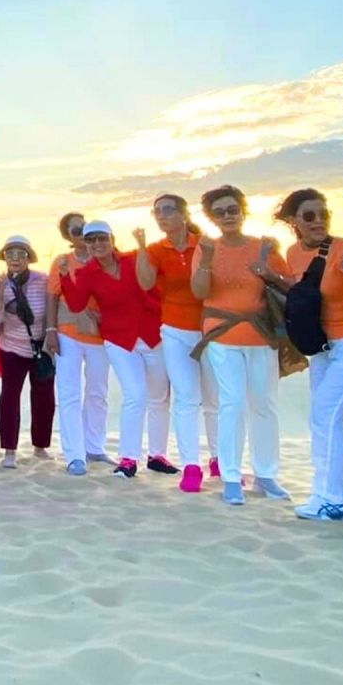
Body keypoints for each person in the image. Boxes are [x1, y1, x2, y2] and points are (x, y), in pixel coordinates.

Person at [259, 189, 343, 523]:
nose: (318, 221)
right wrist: (272, 278)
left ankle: (332, 500)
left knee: (324, 416)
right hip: (324, 346)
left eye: (323, 215)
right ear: (294, 221)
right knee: (333, 418)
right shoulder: (293, 252)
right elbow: (305, 292)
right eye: (309, 216)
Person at [189, 189, 290, 507]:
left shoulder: (264, 247)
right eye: (219, 212)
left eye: (232, 209)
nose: (227, 216)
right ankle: (231, 476)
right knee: (232, 403)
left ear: (243, 210)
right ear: (211, 217)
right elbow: (199, 292)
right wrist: (206, 261)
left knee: (264, 403)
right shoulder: (206, 247)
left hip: (261, 333)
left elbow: (289, 286)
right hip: (222, 333)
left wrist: (268, 272)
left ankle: (266, 474)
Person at [56, 223, 159, 479]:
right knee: (135, 394)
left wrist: (142, 246)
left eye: (102, 238)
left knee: (160, 396)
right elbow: (76, 304)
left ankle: (158, 456)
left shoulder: (132, 259)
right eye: (91, 240)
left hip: (151, 333)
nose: (97, 244)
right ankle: (128, 459)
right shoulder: (87, 273)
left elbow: (151, 285)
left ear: (112, 239)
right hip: (118, 338)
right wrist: (65, 277)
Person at [136, 196, 219, 492]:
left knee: (214, 399)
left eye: (168, 210)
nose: (161, 215)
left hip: (210, 329)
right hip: (174, 330)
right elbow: (146, 283)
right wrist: (142, 247)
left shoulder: (205, 244)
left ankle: (219, 459)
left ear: (184, 214)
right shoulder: (157, 249)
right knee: (185, 397)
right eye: (157, 211)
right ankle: (191, 466)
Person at [45, 213, 113, 471]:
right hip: (67, 331)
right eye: (76, 231)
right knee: (69, 393)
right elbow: (52, 296)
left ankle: (94, 447)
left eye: (85, 228)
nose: (82, 234)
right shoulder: (63, 261)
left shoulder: (105, 258)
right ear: (68, 236)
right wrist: (50, 330)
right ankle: (74, 454)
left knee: (98, 392)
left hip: (99, 334)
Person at [0, 236, 53, 468]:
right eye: (9, 254)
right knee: (9, 396)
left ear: (29, 257)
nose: (14, 259)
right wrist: (0, 294)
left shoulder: (42, 280)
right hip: (12, 348)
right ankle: (9, 451)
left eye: (20, 254)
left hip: (40, 348)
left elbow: (51, 310)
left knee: (44, 397)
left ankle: (40, 446)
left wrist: (50, 338)